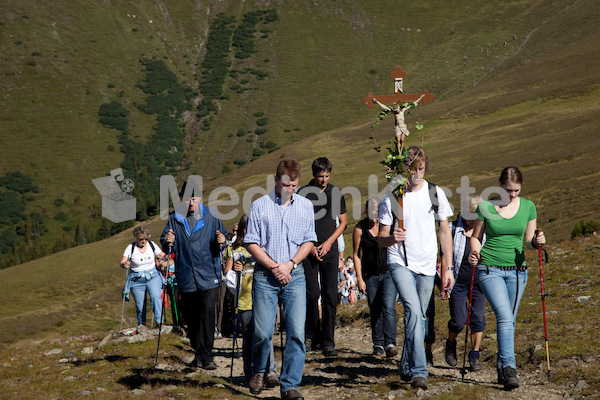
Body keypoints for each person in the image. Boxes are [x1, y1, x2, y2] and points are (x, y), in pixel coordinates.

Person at [378, 146, 455, 390]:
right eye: (412, 170)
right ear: (404, 170)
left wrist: (448, 267)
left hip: (427, 263)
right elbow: (381, 237)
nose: (417, 175)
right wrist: (393, 238)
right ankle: (420, 371)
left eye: (421, 169)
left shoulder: (435, 193)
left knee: (419, 318)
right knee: (413, 311)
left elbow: (444, 230)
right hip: (400, 261)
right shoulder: (393, 195)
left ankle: (405, 365)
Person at [244, 158, 317, 400]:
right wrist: (274, 266)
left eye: (294, 185)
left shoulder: (306, 206)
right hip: (266, 275)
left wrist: (291, 263)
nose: (290, 189)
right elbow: (252, 242)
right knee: (263, 332)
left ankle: (290, 385)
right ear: (276, 180)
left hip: (295, 275)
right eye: (286, 184)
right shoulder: (259, 206)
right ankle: (260, 369)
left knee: (296, 331)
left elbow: (309, 241)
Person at [469, 166, 546, 390]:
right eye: (508, 190)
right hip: (489, 269)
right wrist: (475, 253)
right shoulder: (486, 207)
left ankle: (502, 365)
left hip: (518, 271)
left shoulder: (528, 207)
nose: (511, 195)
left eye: (516, 190)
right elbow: (476, 237)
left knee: (510, 319)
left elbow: (530, 241)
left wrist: (537, 242)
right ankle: (509, 368)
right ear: (499, 186)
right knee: (504, 316)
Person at [161, 185, 227, 371]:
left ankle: (207, 356)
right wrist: (167, 241)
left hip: (209, 274)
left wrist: (222, 240)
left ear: (200, 198)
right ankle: (198, 353)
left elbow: (223, 238)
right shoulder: (175, 218)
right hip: (186, 275)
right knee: (191, 317)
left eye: (195, 198)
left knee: (207, 314)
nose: (191, 202)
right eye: (188, 199)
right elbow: (166, 244)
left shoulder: (211, 215)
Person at [297, 157, 347, 357]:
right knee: (311, 293)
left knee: (330, 294)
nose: (324, 180)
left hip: (330, 249)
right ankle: (310, 335)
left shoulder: (335, 192)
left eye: (327, 176)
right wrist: (308, 247)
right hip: (308, 250)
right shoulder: (302, 193)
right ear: (314, 174)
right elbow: (297, 222)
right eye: (320, 176)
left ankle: (328, 340)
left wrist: (328, 243)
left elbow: (342, 222)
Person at [223, 214, 279, 388]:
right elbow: (226, 273)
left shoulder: (265, 246)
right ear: (241, 229)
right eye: (247, 228)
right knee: (248, 336)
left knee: (265, 334)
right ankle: (250, 372)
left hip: (264, 296)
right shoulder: (233, 248)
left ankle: (270, 371)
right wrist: (236, 270)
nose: (250, 231)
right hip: (244, 298)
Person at [444, 196, 487, 371]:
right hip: (458, 282)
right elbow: (444, 255)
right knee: (459, 321)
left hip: (480, 282)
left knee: (477, 318)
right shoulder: (452, 228)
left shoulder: (485, 230)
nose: (474, 221)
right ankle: (451, 343)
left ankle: (474, 355)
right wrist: (443, 282)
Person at [353, 198, 398, 357]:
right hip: (370, 275)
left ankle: (390, 342)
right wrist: (359, 278)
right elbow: (356, 255)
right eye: (371, 215)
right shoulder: (360, 229)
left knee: (388, 306)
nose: (374, 219)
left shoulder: (387, 226)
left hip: (388, 273)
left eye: (377, 215)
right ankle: (378, 344)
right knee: (375, 308)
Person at [120, 226, 168, 327]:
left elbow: (162, 255)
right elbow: (122, 262)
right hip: (136, 280)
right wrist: (125, 264)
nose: (144, 241)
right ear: (136, 238)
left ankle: (159, 322)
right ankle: (142, 325)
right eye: (141, 239)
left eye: (146, 239)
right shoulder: (131, 248)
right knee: (140, 305)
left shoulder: (151, 245)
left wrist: (169, 257)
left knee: (156, 297)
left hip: (152, 276)